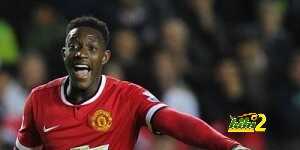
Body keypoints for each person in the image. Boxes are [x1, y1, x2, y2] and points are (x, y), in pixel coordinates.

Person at [15, 16, 249, 150]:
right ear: (64, 53)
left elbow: (176, 122)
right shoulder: (39, 99)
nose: (81, 54)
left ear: (105, 57)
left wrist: (231, 145)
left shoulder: (133, 96)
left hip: (240, 126)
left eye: (91, 49)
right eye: (74, 48)